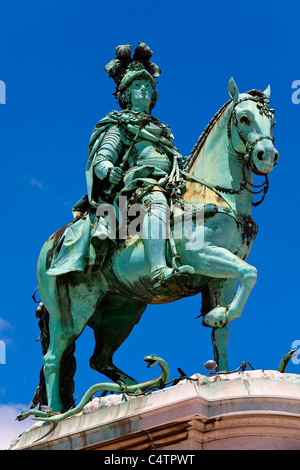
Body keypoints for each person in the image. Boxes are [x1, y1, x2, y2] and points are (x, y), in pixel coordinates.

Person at [47, 43, 194, 288]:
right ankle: (158, 269)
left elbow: (176, 160)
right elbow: (102, 158)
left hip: (170, 183)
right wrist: (108, 170)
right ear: (126, 94)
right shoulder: (119, 125)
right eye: (138, 86)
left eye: (148, 86)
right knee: (155, 200)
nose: (144, 90)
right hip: (136, 186)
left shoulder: (163, 131)